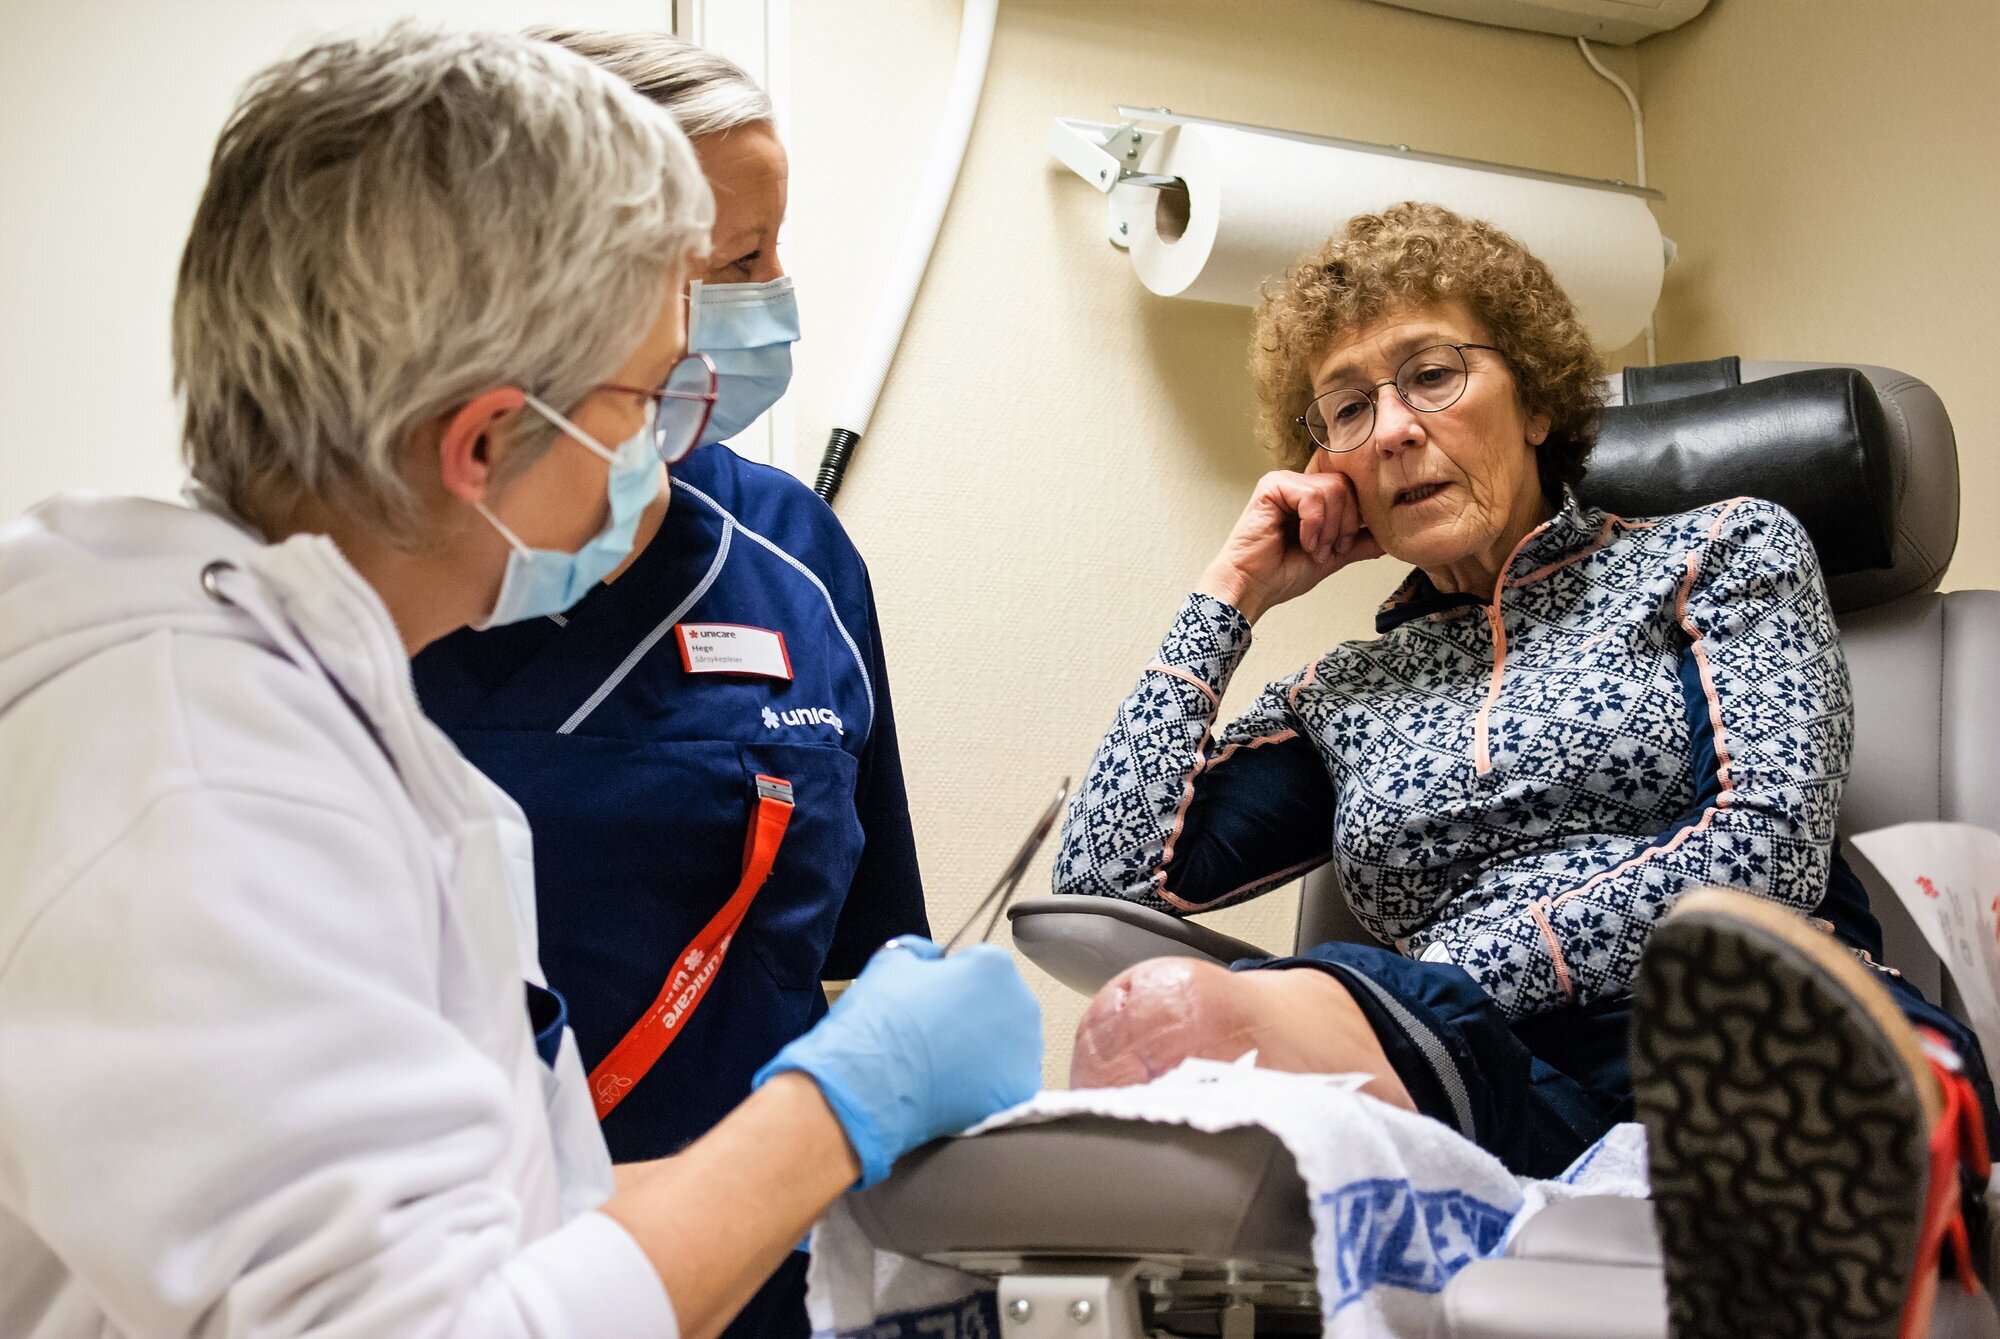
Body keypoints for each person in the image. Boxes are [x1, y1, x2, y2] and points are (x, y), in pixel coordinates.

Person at [0, 29, 1039, 1339]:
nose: (669, 450)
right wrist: (838, 1107)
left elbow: (494, 1229)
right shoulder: (204, 781)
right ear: (486, 442)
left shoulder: (300, 701)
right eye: (648, 400)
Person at [1053, 202, 1992, 1336]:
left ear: (1538, 398)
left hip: (1741, 1024)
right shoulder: (1344, 693)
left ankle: (1782, 1198)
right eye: (1348, 407)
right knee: (1156, 1021)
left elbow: (1767, 852)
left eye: (1431, 375)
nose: (1392, 430)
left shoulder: (1718, 552)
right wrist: (1230, 592)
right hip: (1481, 1070)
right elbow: (1102, 882)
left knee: (1759, 1041)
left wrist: (1452, 964)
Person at [408, 33, 922, 1338]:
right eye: (731, 263)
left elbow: (857, 953)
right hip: (468, 1279)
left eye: (774, 251)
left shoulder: (796, 559)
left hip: (765, 1273)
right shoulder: (403, 578)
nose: (773, 297)